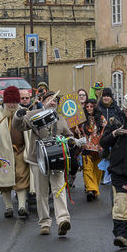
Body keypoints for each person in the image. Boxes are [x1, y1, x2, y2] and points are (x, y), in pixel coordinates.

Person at [13, 91, 78, 237]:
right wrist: (18, 115)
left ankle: (63, 220)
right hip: (38, 160)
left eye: (55, 101)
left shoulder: (60, 119)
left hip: (58, 160)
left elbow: (69, 136)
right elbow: (19, 126)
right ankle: (44, 223)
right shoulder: (33, 114)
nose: (53, 102)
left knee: (59, 190)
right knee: (41, 193)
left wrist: (71, 141)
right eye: (50, 99)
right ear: (42, 101)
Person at [100, 93, 127, 248]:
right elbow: (103, 142)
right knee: (120, 202)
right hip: (118, 169)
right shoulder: (114, 120)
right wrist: (114, 134)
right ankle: (120, 234)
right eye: (126, 110)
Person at [0, 86, 24, 218]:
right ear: (5, 101)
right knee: (4, 182)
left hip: (21, 151)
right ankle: (8, 207)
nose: (12, 104)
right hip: (2, 153)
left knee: (21, 176)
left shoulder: (23, 112)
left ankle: (22, 206)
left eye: (15, 101)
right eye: (9, 101)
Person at [75, 98, 104, 202]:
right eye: (87, 106)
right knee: (87, 170)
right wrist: (78, 131)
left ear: (95, 107)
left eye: (91, 106)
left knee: (97, 171)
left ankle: (94, 190)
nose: (89, 108)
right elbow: (78, 134)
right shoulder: (82, 119)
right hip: (86, 148)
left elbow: (104, 132)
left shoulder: (101, 118)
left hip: (98, 149)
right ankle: (90, 190)